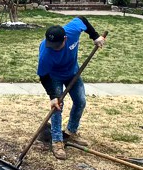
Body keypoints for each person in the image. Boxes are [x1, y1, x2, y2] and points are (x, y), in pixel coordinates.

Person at [37, 17, 106, 160]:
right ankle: (56, 140)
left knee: (80, 101)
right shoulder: (46, 53)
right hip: (54, 77)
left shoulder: (73, 30)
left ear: (65, 38)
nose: (54, 47)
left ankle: (70, 133)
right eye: (51, 45)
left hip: (72, 73)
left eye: (57, 45)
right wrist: (53, 97)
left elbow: (82, 19)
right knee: (57, 107)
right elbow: (43, 76)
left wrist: (95, 36)